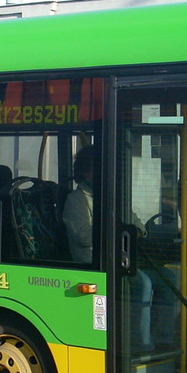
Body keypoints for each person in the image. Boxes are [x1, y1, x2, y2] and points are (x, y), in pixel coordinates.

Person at [63, 146, 154, 351]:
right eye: (100, 169)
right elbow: (84, 236)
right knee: (144, 283)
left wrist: (136, 230)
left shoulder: (112, 198)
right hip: (95, 262)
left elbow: (137, 225)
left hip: (121, 258)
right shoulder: (77, 199)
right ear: (87, 172)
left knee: (170, 279)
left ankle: (164, 338)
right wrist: (114, 228)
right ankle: (142, 342)